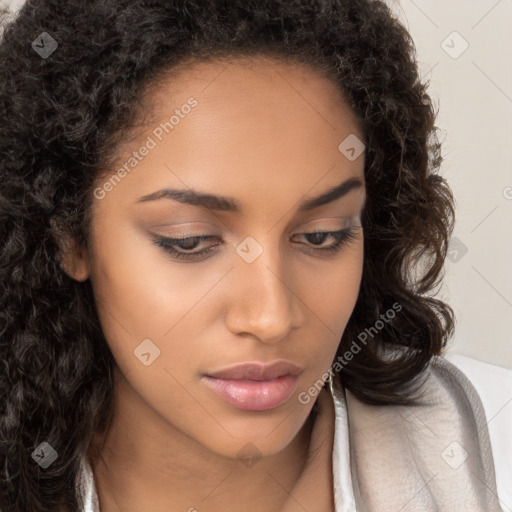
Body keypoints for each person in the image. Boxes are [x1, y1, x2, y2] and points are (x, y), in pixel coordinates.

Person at [0, 1, 510, 511]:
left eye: (321, 236)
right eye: (190, 241)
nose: (271, 317)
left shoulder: (492, 446)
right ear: (71, 237)